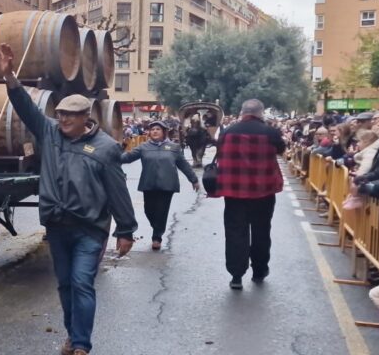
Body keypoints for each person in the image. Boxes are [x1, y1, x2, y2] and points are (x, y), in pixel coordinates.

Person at [0, 43, 137, 355]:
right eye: (59, 115)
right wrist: (8, 75)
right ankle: (73, 336)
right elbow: (26, 108)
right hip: (58, 225)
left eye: (68, 116)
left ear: (85, 117)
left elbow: (118, 191)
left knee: (81, 282)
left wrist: (126, 230)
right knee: (64, 284)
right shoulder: (50, 133)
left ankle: (81, 348)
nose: (61, 120)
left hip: (90, 228)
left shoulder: (105, 148)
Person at [212, 99, 285, 290]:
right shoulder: (270, 132)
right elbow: (281, 149)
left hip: (234, 192)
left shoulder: (228, 132)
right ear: (261, 113)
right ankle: (259, 270)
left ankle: (236, 275)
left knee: (236, 232)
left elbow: (220, 153)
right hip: (263, 191)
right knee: (261, 231)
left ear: (242, 112)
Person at [120, 120, 199, 250]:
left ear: (164, 132)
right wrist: (116, 151)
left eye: (158, 129)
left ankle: (157, 237)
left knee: (162, 211)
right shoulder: (143, 147)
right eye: (152, 129)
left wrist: (194, 179)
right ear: (149, 132)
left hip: (167, 185)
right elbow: (126, 158)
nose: (155, 131)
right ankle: (157, 228)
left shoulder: (173, 148)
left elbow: (184, 165)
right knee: (148, 211)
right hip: (149, 184)